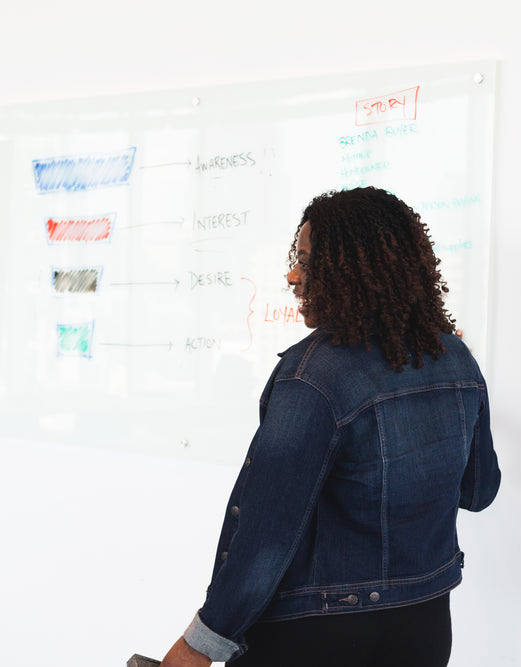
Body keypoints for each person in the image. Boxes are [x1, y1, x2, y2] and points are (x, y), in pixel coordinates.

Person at [161, 187, 500, 667]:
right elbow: (479, 491)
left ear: (356, 272)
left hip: (317, 635)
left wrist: (202, 643)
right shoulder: (455, 359)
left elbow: (266, 536)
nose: (293, 275)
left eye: (307, 262)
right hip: (424, 629)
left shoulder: (313, 377)